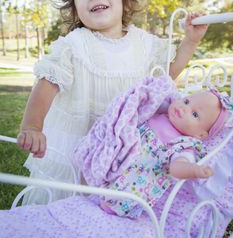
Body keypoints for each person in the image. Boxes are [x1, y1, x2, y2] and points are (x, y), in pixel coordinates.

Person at [17, 0, 208, 205]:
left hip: (125, 142)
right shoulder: (75, 45)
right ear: (75, 6)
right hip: (80, 143)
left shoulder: (144, 42)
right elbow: (47, 83)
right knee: (73, 203)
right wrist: (33, 126)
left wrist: (190, 41)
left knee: (113, 204)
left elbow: (167, 73)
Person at [80, 84, 228, 218]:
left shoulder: (183, 145)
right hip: (122, 158)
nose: (184, 108)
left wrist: (192, 170)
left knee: (120, 198)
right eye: (187, 101)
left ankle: (111, 207)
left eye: (195, 114)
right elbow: (146, 101)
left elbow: (177, 166)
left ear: (200, 135)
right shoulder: (160, 112)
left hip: (137, 179)